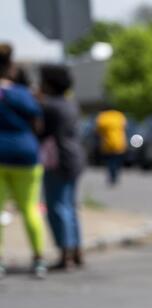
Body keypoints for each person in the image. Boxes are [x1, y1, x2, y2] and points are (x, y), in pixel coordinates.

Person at [0, 43, 48, 279]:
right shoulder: (21, 94)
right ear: (10, 67)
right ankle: (39, 258)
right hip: (25, 154)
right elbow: (38, 123)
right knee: (30, 208)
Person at [37, 64, 86, 271]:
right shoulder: (70, 104)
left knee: (57, 207)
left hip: (57, 159)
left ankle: (65, 254)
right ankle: (76, 251)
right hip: (74, 158)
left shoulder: (49, 106)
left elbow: (40, 131)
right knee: (70, 206)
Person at [94, 103, 127, 186]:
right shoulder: (119, 115)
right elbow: (124, 126)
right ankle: (115, 175)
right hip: (120, 143)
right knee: (117, 161)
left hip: (107, 143)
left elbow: (98, 130)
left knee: (110, 162)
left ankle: (112, 176)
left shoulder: (102, 117)